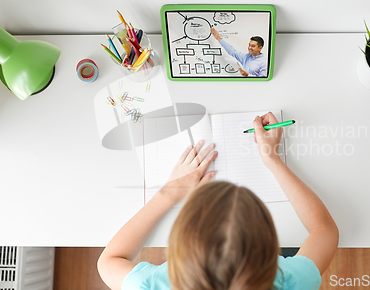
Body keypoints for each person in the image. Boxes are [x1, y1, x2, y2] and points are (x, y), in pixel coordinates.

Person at [98, 112, 339, 290]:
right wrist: (272, 159)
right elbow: (324, 231)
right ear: (266, 244)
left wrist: (170, 193)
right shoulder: (291, 281)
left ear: (181, 243)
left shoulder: (150, 286)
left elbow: (109, 261)